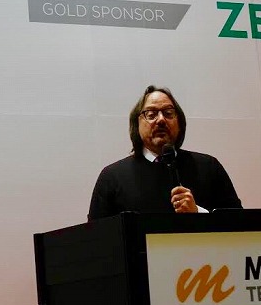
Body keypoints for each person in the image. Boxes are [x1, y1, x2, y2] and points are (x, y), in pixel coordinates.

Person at [88, 85, 241, 220]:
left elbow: (240, 225)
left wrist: (198, 213)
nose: (161, 120)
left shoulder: (208, 167)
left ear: (180, 123)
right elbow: (96, 236)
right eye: (151, 114)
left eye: (168, 113)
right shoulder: (112, 177)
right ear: (136, 124)